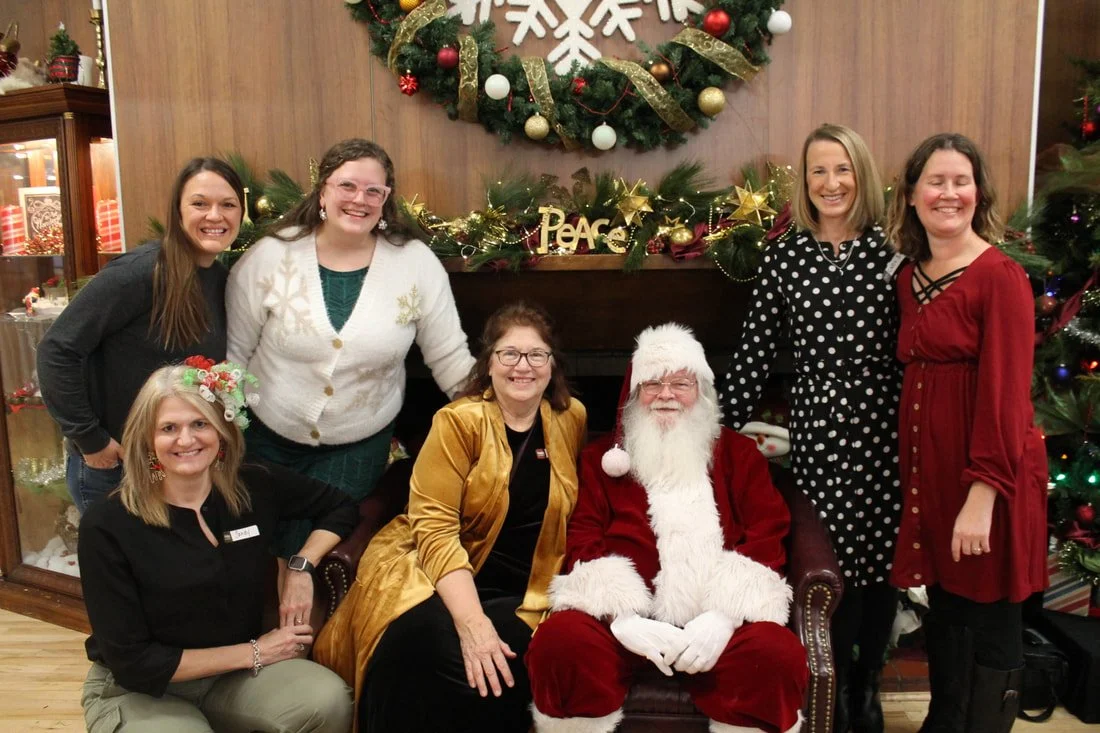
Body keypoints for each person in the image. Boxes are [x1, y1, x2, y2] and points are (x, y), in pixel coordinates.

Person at [313, 302, 587, 733]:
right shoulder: (458, 421)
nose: (523, 366)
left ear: (552, 366)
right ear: (489, 363)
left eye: (536, 355)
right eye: (509, 354)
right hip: (437, 573)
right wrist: (472, 622)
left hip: (526, 588)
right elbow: (435, 530)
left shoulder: (570, 418)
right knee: (420, 647)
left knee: (504, 662)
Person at [528, 323, 808, 733]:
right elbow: (584, 536)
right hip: (626, 626)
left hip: (717, 626)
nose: (666, 395)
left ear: (702, 392)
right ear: (634, 394)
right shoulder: (602, 461)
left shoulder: (738, 455)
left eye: (680, 383)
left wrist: (724, 617)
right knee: (560, 644)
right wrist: (620, 616)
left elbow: (767, 533)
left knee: (776, 656)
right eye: (652, 383)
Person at [720, 124, 902, 733]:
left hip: (884, 426)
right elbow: (754, 352)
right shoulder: (787, 255)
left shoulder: (893, 250)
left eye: (843, 169)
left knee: (882, 568)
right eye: (819, 171)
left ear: (862, 175)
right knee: (831, 563)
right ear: (806, 181)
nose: (832, 183)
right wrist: (713, 431)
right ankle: (835, 685)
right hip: (819, 430)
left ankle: (867, 683)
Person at [227, 138, 475, 559]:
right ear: (323, 189)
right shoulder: (269, 257)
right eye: (347, 186)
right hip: (266, 441)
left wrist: (498, 416)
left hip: (355, 447)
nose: (360, 200)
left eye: (373, 191)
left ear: (386, 199)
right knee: (256, 548)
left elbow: (450, 359)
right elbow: (234, 354)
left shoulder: (416, 264)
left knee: (322, 549)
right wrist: (223, 436)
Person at [78, 360, 357, 732]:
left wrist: (301, 565)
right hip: (140, 690)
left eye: (199, 424)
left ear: (222, 429)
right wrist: (259, 651)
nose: (186, 440)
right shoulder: (107, 524)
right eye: (168, 428)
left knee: (328, 700)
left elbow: (340, 507)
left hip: (234, 678)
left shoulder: (254, 485)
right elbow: (133, 662)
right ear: (147, 439)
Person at [885, 133, 1047, 733]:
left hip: (988, 477)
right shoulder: (911, 276)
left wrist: (983, 495)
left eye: (961, 181)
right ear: (911, 194)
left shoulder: (1000, 277)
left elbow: (1006, 398)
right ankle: (943, 723)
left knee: (991, 620)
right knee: (950, 611)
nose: (948, 193)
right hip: (935, 473)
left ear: (978, 194)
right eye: (935, 181)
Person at [38, 158, 244, 514]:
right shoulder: (140, 273)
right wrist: (90, 439)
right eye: (199, 204)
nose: (215, 216)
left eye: (227, 205)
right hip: (114, 468)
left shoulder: (220, 280)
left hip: (172, 465)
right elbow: (57, 350)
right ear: (178, 212)